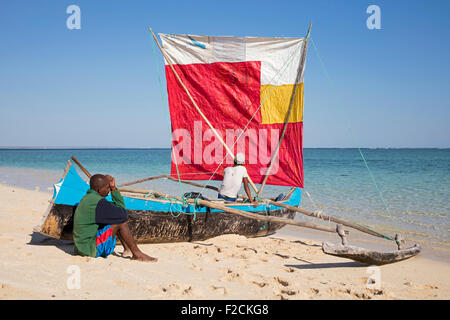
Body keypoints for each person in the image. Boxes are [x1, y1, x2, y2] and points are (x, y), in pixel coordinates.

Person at [73, 173, 157, 262]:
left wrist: (112, 188)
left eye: (110, 188)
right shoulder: (98, 202)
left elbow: (118, 211)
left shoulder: (88, 198)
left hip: (80, 248)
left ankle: (127, 250)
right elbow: (123, 214)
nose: (109, 190)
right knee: (120, 222)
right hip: (90, 249)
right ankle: (137, 254)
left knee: (113, 217)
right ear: (99, 189)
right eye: (107, 187)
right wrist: (114, 189)